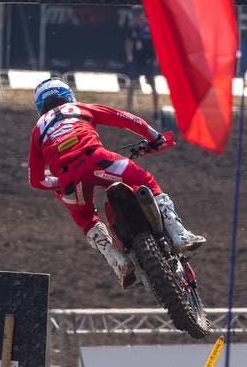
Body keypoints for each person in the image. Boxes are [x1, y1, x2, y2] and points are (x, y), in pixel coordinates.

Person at [28, 77, 205, 287]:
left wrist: (57, 182)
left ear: (40, 106)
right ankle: (178, 234)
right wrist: (155, 137)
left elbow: (36, 180)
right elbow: (125, 119)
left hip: (69, 179)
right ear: (68, 95)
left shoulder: (38, 130)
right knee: (146, 180)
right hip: (98, 160)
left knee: (86, 219)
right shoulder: (80, 108)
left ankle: (118, 261)